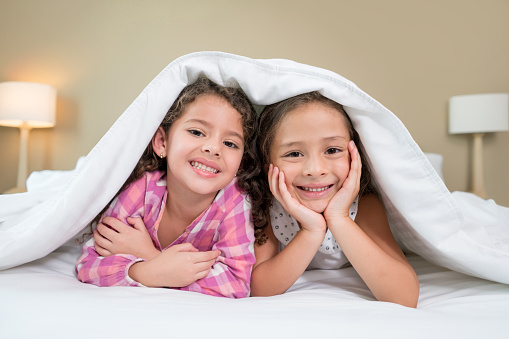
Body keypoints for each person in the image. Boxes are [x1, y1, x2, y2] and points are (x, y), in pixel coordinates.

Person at [75, 76, 257, 298]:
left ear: (241, 162)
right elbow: (89, 265)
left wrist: (150, 257)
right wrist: (151, 270)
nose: (213, 148)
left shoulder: (235, 201)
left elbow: (235, 285)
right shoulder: (141, 190)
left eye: (230, 143)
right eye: (197, 132)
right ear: (163, 142)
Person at [249, 91, 419, 307]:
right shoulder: (268, 207)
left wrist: (339, 217)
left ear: (355, 157)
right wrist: (311, 230)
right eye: (294, 154)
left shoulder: (365, 205)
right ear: (268, 166)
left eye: (332, 150)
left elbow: (404, 297)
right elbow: (260, 289)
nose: (315, 170)